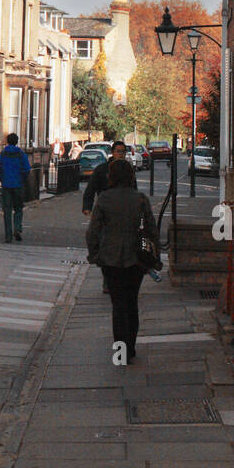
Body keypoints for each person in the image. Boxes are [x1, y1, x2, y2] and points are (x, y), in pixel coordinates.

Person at [86, 156, 159, 364]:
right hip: (136, 259)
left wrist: (94, 254)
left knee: (118, 306)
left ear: (112, 177)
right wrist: (154, 259)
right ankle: (131, 347)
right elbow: (152, 231)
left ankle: (120, 352)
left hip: (110, 259)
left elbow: (93, 232)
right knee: (131, 303)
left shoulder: (104, 199)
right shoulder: (140, 199)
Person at [83, 140, 135, 293]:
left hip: (125, 213)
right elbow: (90, 189)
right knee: (107, 246)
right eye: (119, 151)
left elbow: (134, 190)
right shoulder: (102, 169)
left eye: (123, 152)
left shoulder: (128, 170)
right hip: (106, 212)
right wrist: (87, 207)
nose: (121, 154)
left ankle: (121, 277)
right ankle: (108, 281)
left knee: (125, 245)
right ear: (113, 152)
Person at [0, 132, 31, 242]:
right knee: (19, 208)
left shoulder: (2, 154)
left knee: (7, 211)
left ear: (7, 141)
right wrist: (21, 179)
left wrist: (3, 179)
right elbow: (26, 169)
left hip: (6, 186)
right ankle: (17, 228)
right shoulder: (21, 154)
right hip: (18, 185)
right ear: (17, 141)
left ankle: (8, 236)